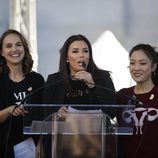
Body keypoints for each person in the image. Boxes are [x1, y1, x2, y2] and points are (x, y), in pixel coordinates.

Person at [43, 34, 117, 158]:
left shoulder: (102, 77)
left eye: (85, 51)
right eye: (75, 51)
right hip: (63, 146)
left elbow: (112, 110)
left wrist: (92, 85)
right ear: (66, 57)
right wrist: (56, 113)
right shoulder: (55, 80)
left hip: (96, 145)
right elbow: (44, 113)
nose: (81, 55)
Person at [0, 29, 45, 158]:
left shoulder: (37, 80)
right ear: (2, 52)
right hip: (5, 148)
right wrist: (9, 110)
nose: (14, 49)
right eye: (8, 46)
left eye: (18, 44)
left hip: (32, 148)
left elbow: (45, 116)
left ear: (24, 48)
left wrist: (41, 145)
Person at [116, 44, 158, 158]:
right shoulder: (122, 95)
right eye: (132, 63)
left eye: (143, 63)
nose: (136, 68)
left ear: (153, 66)